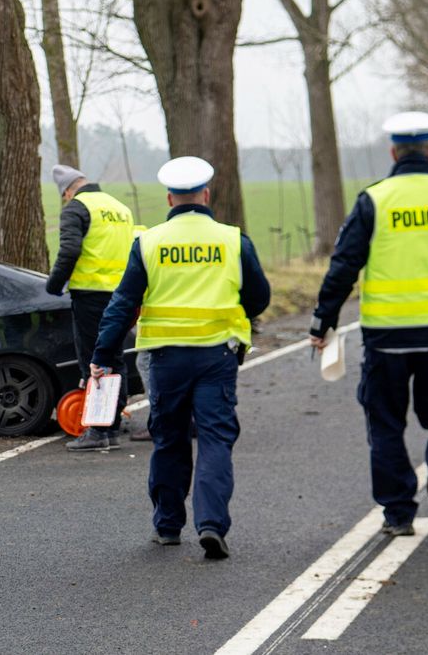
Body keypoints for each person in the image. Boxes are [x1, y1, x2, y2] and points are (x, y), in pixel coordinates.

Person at [309, 112, 428, 538]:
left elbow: (344, 265)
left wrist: (324, 320)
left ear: (393, 152)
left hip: (387, 335)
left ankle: (398, 513)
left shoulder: (375, 199)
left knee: (386, 422)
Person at [90, 156, 270, 559]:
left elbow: (123, 304)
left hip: (166, 360)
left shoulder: (149, 242)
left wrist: (102, 354)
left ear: (169, 197)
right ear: (206, 194)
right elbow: (259, 296)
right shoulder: (232, 239)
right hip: (216, 357)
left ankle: (168, 526)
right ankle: (211, 525)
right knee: (214, 439)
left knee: (169, 439)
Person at [45, 165, 136, 452]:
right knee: (115, 358)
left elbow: (69, 250)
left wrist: (54, 284)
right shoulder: (120, 208)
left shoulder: (77, 207)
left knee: (94, 360)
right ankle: (111, 427)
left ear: (68, 190)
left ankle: (97, 430)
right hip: (122, 294)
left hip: (91, 295)